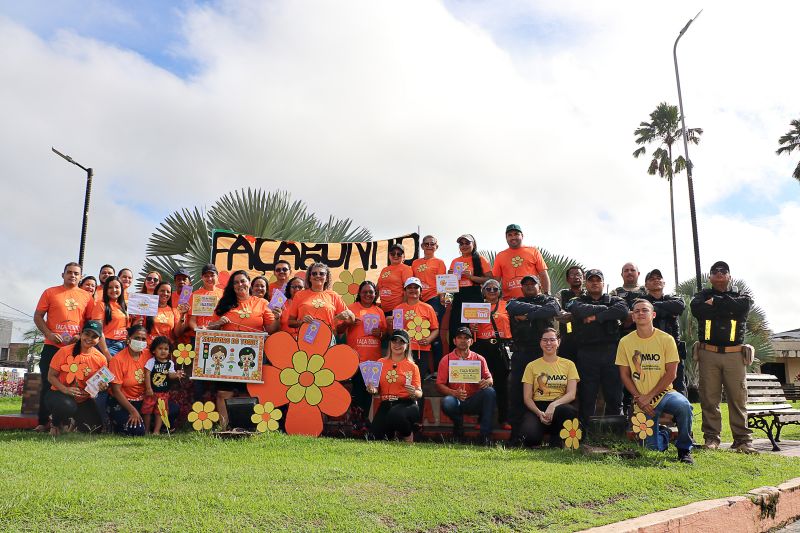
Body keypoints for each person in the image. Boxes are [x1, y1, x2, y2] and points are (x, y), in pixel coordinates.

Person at [616, 299, 694, 464]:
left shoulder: (666, 339)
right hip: (641, 398)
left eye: (645, 310)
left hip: (665, 393)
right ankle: (664, 434)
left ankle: (684, 449)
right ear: (633, 317)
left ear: (653, 315)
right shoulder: (625, 342)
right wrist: (640, 398)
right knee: (652, 448)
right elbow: (624, 375)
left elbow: (671, 374)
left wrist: (649, 396)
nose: (640, 313)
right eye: (636, 311)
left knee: (684, 406)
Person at [690, 260, 755, 453]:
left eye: (723, 271)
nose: (719, 273)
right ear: (709, 277)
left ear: (729, 276)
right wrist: (726, 307)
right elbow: (697, 309)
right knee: (709, 398)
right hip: (708, 353)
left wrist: (716, 302)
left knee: (738, 398)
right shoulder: (701, 296)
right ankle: (712, 438)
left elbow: (743, 307)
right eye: (715, 271)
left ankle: (742, 440)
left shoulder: (741, 296)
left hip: (734, 355)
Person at [208, 270, 279, 428]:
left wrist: (278, 317)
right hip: (226, 357)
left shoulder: (262, 303)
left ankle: (247, 428)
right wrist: (219, 323)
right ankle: (224, 429)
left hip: (252, 357)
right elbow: (210, 327)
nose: (240, 285)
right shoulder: (224, 304)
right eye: (236, 282)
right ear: (232, 287)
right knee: (223, 393)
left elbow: (272, 328)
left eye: (243, 281)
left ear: (249, 282)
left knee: (249, 393)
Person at [33, 262, 95, 432]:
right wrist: (48, 334)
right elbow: (38, 316)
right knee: (47, 382)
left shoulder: (87, 297)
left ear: (80, 277)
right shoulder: (50, 292)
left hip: (75, 348)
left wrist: (80, 335)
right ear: (63, 274)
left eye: (76, 273)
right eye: (69, 272)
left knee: (74, 383)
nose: (72, 276)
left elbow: (91, 322)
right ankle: (43, 422)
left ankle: (66, 422)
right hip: (52, 346)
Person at [566, 269, 629, 428]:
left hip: (611, 353)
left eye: (598, 280)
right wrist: (606, 311)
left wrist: (596, 317)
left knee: (614, 396)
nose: (594, 282)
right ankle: (587, 434)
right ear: (586, 283)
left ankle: (614, 434)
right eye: (591, 280)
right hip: (587, 353)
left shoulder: (615, 300)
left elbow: (622, 311)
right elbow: (578, 310)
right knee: (587, 396)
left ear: (603, 283)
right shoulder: (577, 300)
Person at [505, 275, 560, 440]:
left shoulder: (550, 300)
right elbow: (512, 307)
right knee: (516, 393)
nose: (529, 286)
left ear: (540, 286)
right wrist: (538, 311)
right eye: (525, 284)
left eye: (532, 283)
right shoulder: (514, 302)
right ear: (521, 288)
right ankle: (516, 436)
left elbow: (553, 310)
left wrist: (528, 316)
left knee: (548, 392)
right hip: (522, 354)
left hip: (544, 354)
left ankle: (552, 435)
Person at [45, 320, 108, 436]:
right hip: (59, 394)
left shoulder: (101, 359)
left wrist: (102, 387)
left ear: (99, 340)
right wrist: (65, 389)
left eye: (94, 336)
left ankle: (74, 422)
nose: (89, 338)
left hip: (83, 399)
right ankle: (55, 423)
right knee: (67, 406)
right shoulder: (64, 351)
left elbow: (99, 383)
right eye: (87, 334)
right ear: (81, 333)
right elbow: (50, 376)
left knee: (94, 429)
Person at [519, 328, 580, 447]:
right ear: (540, 342)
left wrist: (553, 405)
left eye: (552, 340)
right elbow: (527, 398)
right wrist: (538, 413)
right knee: (530, 438)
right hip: (538, 407)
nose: (548, 343)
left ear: (559, 342)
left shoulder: (569, 364)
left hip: (560, 407)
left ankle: (558, 439)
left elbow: (572, 394)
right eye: (545, 340)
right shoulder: (531, 366)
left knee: (568, 411)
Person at [436, 327, 496, 444]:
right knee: (447, 402)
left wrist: (487, 382)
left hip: (474, 400)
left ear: (472, 341)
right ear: (454, 341)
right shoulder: (446, 359)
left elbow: (490, 379)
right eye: (459, 338)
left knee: (490, 392)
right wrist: (454, 393)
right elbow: (439, 384)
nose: (463, 340)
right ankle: (458, 429)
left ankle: (485, 436)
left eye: (466, 338)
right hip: (456, 399)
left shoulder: (479, 358)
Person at [367, 330, 422, 442]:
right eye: (394, 341)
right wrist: (372, 389)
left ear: (407, 346)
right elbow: (376, 389)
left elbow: (419, 393)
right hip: (386, 404)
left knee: (396, 414)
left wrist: (413, 392)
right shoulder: (380, 362)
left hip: (407, 403)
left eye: (401, 342)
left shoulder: (412, 366)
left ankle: (408, 435)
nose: (397, 345)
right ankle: (391, 435)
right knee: (374, 437)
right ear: (390, 343)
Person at [470, 279, 512, 429]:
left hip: (501, 347)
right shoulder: (476, 307)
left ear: (500, 291)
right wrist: (472, 327)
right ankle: (482, 420)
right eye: (489, 289)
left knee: (502, 384)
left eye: (495, 289)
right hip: (482, 346)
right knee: (483, 384)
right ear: (483, 291)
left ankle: (504, 420)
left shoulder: (507, 305)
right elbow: (471, 330)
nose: (492, 291)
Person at [342, 281, 387, 419]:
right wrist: (347, 323)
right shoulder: (350, 308)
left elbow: (384, 334)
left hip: (373, 360)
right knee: (357, 392)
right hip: (356, 358)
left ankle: (364, 424)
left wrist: (379, 332)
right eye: (365, 292)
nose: (368, 294)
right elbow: (338, 330)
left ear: (375, 294)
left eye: (371, 292)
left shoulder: (379, 311)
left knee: (369, 393)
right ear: (359, 294)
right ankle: (357, 424)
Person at [441, 234, 492, 350]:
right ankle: (456, 359)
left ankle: (475, 359)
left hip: (475, 295)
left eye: (467, 243)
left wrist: (471, 277)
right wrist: (450, 277)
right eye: (461, 244)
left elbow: (489, 279)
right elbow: (450, 284)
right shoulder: (455, 261)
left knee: (474, 330)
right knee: (456, 328)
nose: (464, 246)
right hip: (459, 295)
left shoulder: (480, 259)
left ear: (473, 244)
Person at [642, 269, 687, 396]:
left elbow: (679, 306)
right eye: (652, 278)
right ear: (646, 285)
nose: (656, 280)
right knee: (650, 387)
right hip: (649, 352)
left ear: (664, 282)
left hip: (673, 351)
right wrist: (667, 310)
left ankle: (681, 415)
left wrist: (654, 307)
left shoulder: (674, 299)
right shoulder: (641, 302)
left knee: (678, 388)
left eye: (658, 278)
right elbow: (642, 310)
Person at [411, 235, 448, 374]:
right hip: (418, 301)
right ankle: (422, 370)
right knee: (418, 333)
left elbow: (442, 282)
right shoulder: (415, 263)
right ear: (422, 246)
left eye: (432, 244)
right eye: (426, 244)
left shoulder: (439, 262)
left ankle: (437, 371)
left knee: (435, 335)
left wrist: (442, 299)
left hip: (434, 299)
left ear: (436, 247)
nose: (429, 246)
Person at [108, 325, 154, 436]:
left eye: (143, 339)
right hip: (122, 402)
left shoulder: (149, 354)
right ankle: (115, 424)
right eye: (137, 338)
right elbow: (116, 391)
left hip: (143, 400)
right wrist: (132, 411)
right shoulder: (117, 360)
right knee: (138, 431)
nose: (140, 341)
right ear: (128, 338)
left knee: (172, 410)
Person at [288, 263, 354, 332]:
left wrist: (348, 318)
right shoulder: (299, 295)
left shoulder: (334, 295)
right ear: (310, 278)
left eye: (322, 274)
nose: (318, 276)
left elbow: (349, 317)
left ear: (326, 278)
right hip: (305, 339)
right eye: (314, 274)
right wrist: (301, 322)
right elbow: (290, 322)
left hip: (328, 338)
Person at [394, 277, 439, 378]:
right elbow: (395, 332)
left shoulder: (428, 308)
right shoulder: (398, 309)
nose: (413, 290)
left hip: (421, 351)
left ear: (420, 291)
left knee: (419, 381)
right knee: (403, 380)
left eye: (416, 287)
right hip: (403, 350)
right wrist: (390, 324)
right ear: (405, 291)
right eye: (409, 287)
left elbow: (435, 329)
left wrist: (428, 340)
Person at [492, 224, 550, 298]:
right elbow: (495, 281)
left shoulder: (533, 251)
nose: (513, 237)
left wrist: (547, 294)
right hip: (510, 302)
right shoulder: (500, 256)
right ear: (506, 238)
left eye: (516, 234)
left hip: (533, 300)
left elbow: (543, 274)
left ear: (522, 236)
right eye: (510, 235)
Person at [143, 336, 185, 435]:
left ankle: (156, 431)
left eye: (166, 349)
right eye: (160, 348)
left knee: (160, 412)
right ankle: (146, 430)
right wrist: (148, 388)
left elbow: (170, 375)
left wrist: (177, 375)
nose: (163, 351)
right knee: (147, 411)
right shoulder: (151, 361)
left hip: (163, 393)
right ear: (154, 350)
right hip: (152, 392)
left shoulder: (170, 363)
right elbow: (147, 374)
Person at [91, 276, 129, 359]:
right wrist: (106, 352)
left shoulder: (124, 306)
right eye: (110, 287)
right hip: (108, 344)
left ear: (121, 289)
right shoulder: (101, 305)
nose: (114, 290)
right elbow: (98, 330)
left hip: (124, 344)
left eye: (117, 287)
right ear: (106, 290)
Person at [556, 266, 584, 361]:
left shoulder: (588, 294)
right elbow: (557, 311)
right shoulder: (562, 294)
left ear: (583, 277)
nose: (576, 277)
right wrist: (576, 316)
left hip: (586, 339)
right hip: (567, 336)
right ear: (568, 279)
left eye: (579, 275)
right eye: (572, 275)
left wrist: (571, 315)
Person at [377, 243, 413, 314]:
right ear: (389, 256)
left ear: (404, 257)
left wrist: (401, 309)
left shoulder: (406, 269)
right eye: (393, 254)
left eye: (399, 254)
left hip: (397, 310)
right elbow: (378, 287)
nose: (395, 256)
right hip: (383, 310)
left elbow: (408, 289)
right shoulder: (384, 270)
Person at [612, 262, 646, 337]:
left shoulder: (646, 291)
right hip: (621, 335)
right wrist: (625, 315)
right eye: (626, 270)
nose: (629, 272)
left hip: (644, 334)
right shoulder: (615, 292)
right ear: (622, 274)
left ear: (638, 273)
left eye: (632, 270)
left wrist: (634, 315)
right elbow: (610, 311)